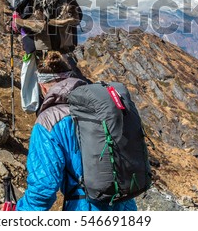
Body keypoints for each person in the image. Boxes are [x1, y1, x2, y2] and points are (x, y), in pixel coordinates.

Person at [14, 51, 137, 211]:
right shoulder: (100, 106)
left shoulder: (49, 120)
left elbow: (43, 187)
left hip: (86, 207)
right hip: (126, 205)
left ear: (43, 87)